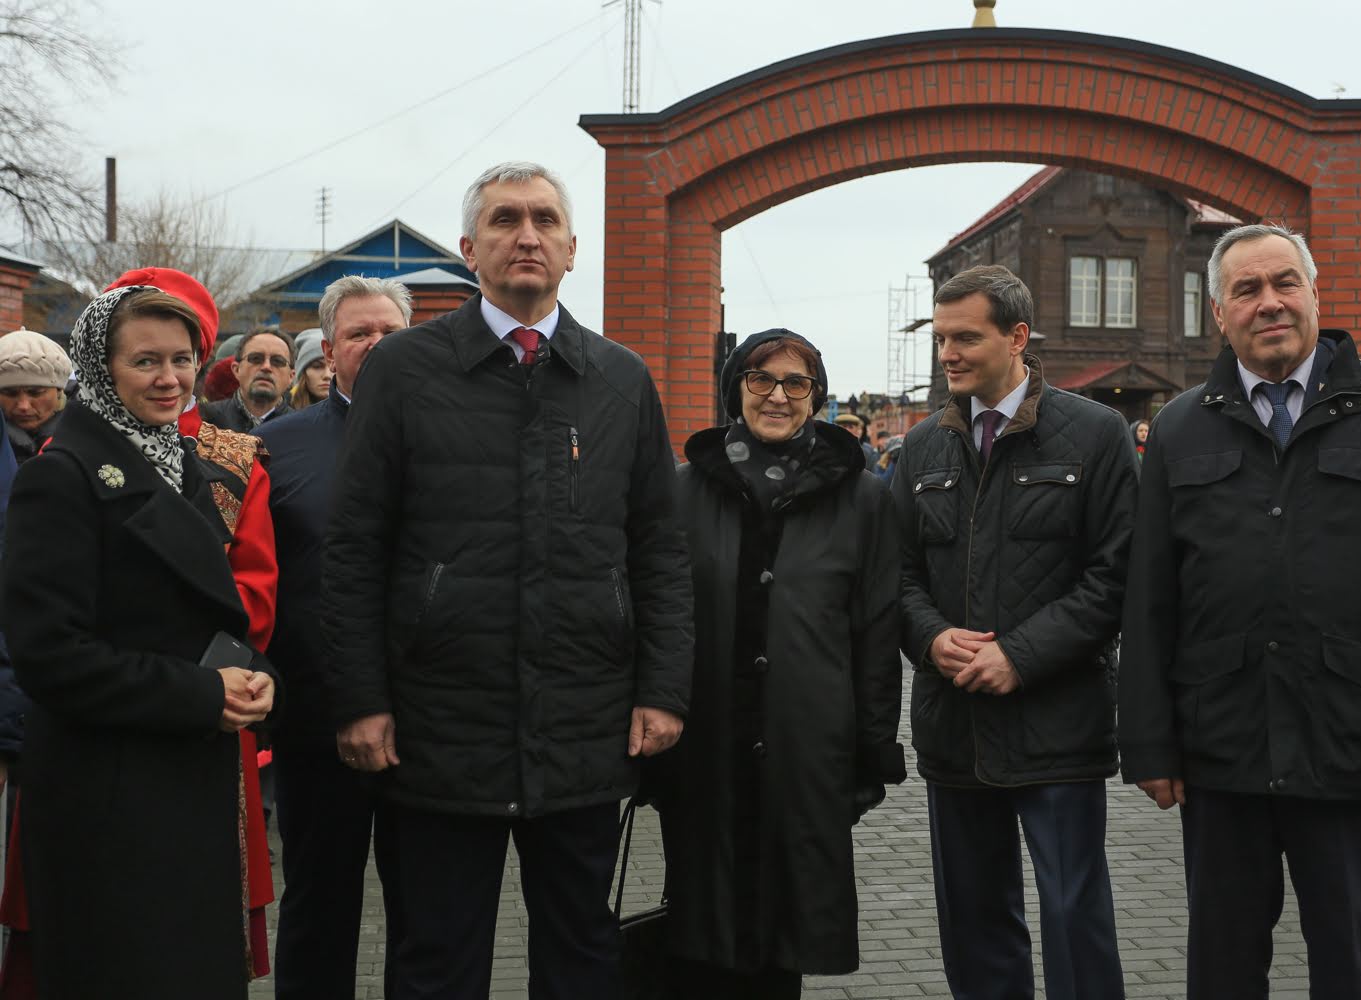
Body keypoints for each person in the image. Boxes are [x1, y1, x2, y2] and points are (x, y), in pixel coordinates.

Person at [321, 160, 694, 1000]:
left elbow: (658, 550)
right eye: (504, 219)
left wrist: (664, 690)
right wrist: (360, 700)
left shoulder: (621, 380)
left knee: (581, 956)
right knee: (437, 961)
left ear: (572, 249)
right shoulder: (404, 370)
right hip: (439, 727)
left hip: (584, 723)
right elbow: (355, 547)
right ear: (468, 249)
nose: (527, 235)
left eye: (544, 220)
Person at [1119, 223, 1361, 1000]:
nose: (1269, 302)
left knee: (1351, 965)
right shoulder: (1181, 426)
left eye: (1285, 283)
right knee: (1222, 968)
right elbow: (1150, 601)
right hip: (1221, 749)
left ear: (1315, 293)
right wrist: (1147, 742)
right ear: (1219, 313)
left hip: (1352, 743)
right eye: (1247, 290)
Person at [1, 284, 277, 999]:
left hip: (184, 782)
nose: (169, 379)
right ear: (100, 369)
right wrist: (202, 694)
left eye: (182, 360)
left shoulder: (177, 462)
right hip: (107, 797)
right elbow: (50, 657)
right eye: (145, 361)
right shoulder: (60, 477)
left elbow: (207, 613)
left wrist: (253, 674)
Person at [892, 264, 1135, 1000]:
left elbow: (1116, 576)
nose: (948, 354)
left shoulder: (1096, 434)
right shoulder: (921, 448)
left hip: (1057, 724)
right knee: (974, 923)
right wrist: (930, 639)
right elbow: (896, 577)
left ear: (1018, 336)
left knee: (1073, 917)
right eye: (941, 339)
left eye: (966, 338)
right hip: (955, 725)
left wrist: (1018, 657)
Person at [660, 328, 905, 999]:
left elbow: (876, 632)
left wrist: (871, 751)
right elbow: (662, 615)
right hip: (705, 749)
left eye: (797, 383)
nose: (777, 396)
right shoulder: (684, 491)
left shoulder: (862, 499)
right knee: (702, 933)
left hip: (807, 749)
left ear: (816, 397)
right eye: (761, 379)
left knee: (784, 939)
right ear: (735, 389)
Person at [256, 276, 412, 1000]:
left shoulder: (455, 437)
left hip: (432, 721)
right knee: (319, 904)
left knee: (429, 912)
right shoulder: (272, 448)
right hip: (317, 723)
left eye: (390, 332)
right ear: (328, 349)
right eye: (358, 334)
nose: (376, 345)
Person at [200, 327, 294, 431]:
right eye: (255, 358)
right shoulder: (204, 421)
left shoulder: (302, 429)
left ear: (291, 376)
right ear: (236, 370)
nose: (266, 367)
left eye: (278, 361)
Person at [0, 331, 71, 463]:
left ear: (59, 391)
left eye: (36, 393)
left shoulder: (91, 435)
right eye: (10, 393)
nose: (24, 406)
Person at [289, 329, 331, 409]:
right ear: (302, 373)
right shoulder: (281, 412)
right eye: (317, 366)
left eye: (334, 368)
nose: (327, 375)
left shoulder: (354, 413)